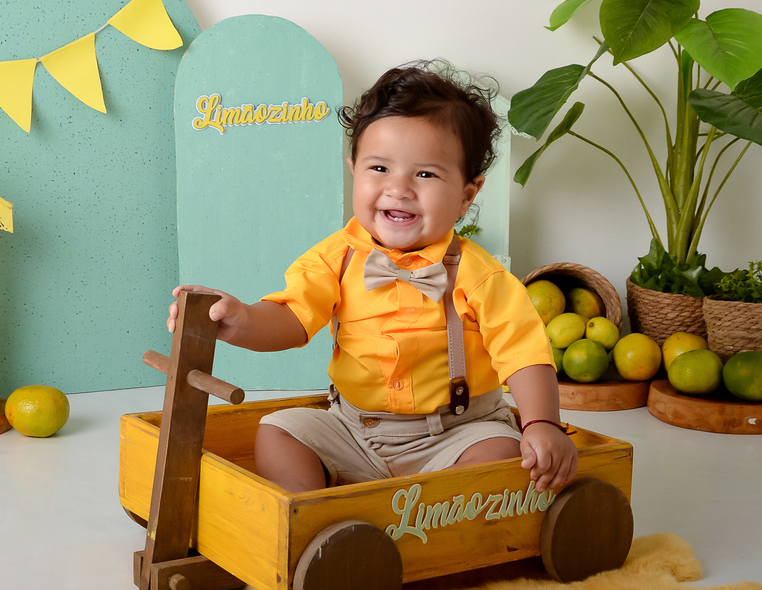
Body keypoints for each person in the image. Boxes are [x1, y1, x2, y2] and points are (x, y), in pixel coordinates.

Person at [167, 62, 577, 494]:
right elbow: (290, 317)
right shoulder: (337, 259)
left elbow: (525, 353)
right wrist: (243, 320)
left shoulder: (481, 276)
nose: (399, 188)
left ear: (466, 195)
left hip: (458, 433)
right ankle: (308, 517)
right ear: (354, 169)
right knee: (278, 430)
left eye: (425, 174)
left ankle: (434, 512)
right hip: (355, 431)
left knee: (501, 455)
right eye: (379, 169)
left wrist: (542, 424)